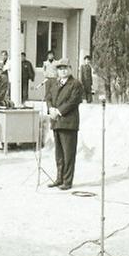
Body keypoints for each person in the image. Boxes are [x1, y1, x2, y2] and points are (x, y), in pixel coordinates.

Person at [45, 58, 83, 191]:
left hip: (68, 123)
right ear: (57, 71)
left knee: (68, 154)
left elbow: (73, 101)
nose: (63, 71)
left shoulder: (76, 84)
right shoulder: (55, 84)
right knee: (59, 153)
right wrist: (50, 109)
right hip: (56, 122)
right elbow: (48, 97)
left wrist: (59, 111)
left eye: (65, 68)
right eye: (60, 69)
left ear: (70, 69)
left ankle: (67, 181)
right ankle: (59, 178)